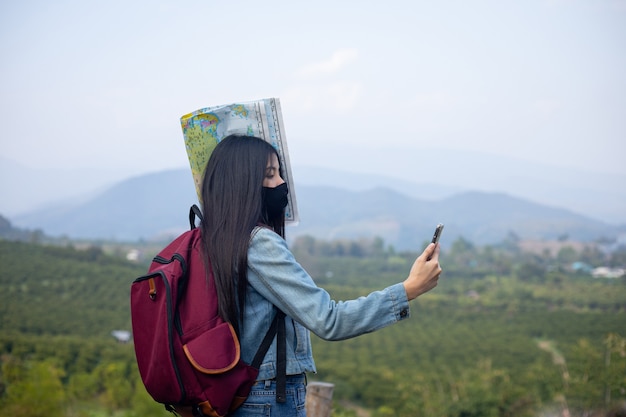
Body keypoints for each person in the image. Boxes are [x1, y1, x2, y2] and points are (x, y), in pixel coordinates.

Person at [199, 134, 442, 416]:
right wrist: (409, 289)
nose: (281, 183)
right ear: (244, 184)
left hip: (234, 394)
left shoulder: (212, 238)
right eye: (270, 175)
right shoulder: (258, 243)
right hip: (266, 398)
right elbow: (329, 320)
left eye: (280, 173)